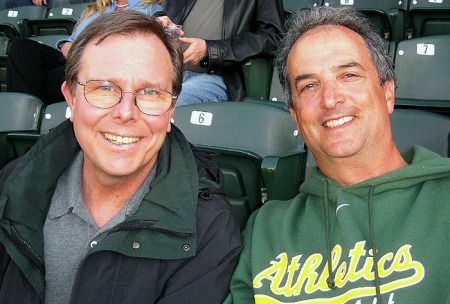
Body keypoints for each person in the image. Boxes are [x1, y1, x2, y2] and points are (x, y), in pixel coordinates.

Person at [0, 10, 241, 303]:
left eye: (150, 93)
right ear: (71, 99)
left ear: (171, 111)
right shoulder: (13, 187)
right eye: (104, 88)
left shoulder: (210, 229)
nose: (126, 113)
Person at [225, 7, 450, 304]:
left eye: (349, 75)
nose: (330, 99)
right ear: (295, 115)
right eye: (309, 86)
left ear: (387, 94)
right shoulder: (267, 229)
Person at [6, 0, 164, 104]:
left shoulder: (151, 10)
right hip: (71, 56)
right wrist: (66, 46)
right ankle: (24, 115)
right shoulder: (95, 9)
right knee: (22, 48)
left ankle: (31, 117)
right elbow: (72, 39)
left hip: (100, 65)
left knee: (41, 80)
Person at [160, 0, 285, 106]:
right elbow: (167, 16)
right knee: (146, 100)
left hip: (221, 77)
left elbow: (272, 38)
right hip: (172, 73)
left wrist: (210, 50)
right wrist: (159, 22)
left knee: (166, 104)